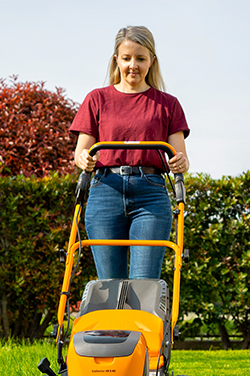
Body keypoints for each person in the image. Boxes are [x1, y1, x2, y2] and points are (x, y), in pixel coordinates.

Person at [70, 26, 190, 281]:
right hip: (105, 190)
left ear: (152, 61)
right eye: (126, 58)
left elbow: (179, 157)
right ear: (116, 60)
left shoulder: (167, 104)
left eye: (140, 58)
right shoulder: (97, 99)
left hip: (151, 194)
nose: (133, 65)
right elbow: (81, 152)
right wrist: (84, 159)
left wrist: (181, 162)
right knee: (110, 284)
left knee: (143, 285)